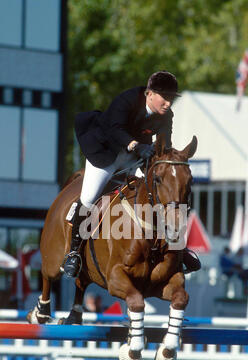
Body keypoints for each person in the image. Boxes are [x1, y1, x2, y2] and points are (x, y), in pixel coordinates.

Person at [63, 70, 200, 277]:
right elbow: (114, 129)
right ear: (150, 94)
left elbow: (165, 144)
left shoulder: (166, 116)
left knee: (161, 190)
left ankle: (177, 249)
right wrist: (136, 146)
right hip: (105, 153)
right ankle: (74, 252)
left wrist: (161, 159)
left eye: (171, 99)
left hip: (135, 156)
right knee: (89, 198)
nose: (168, 103)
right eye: (165, 98)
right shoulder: (126, 100)